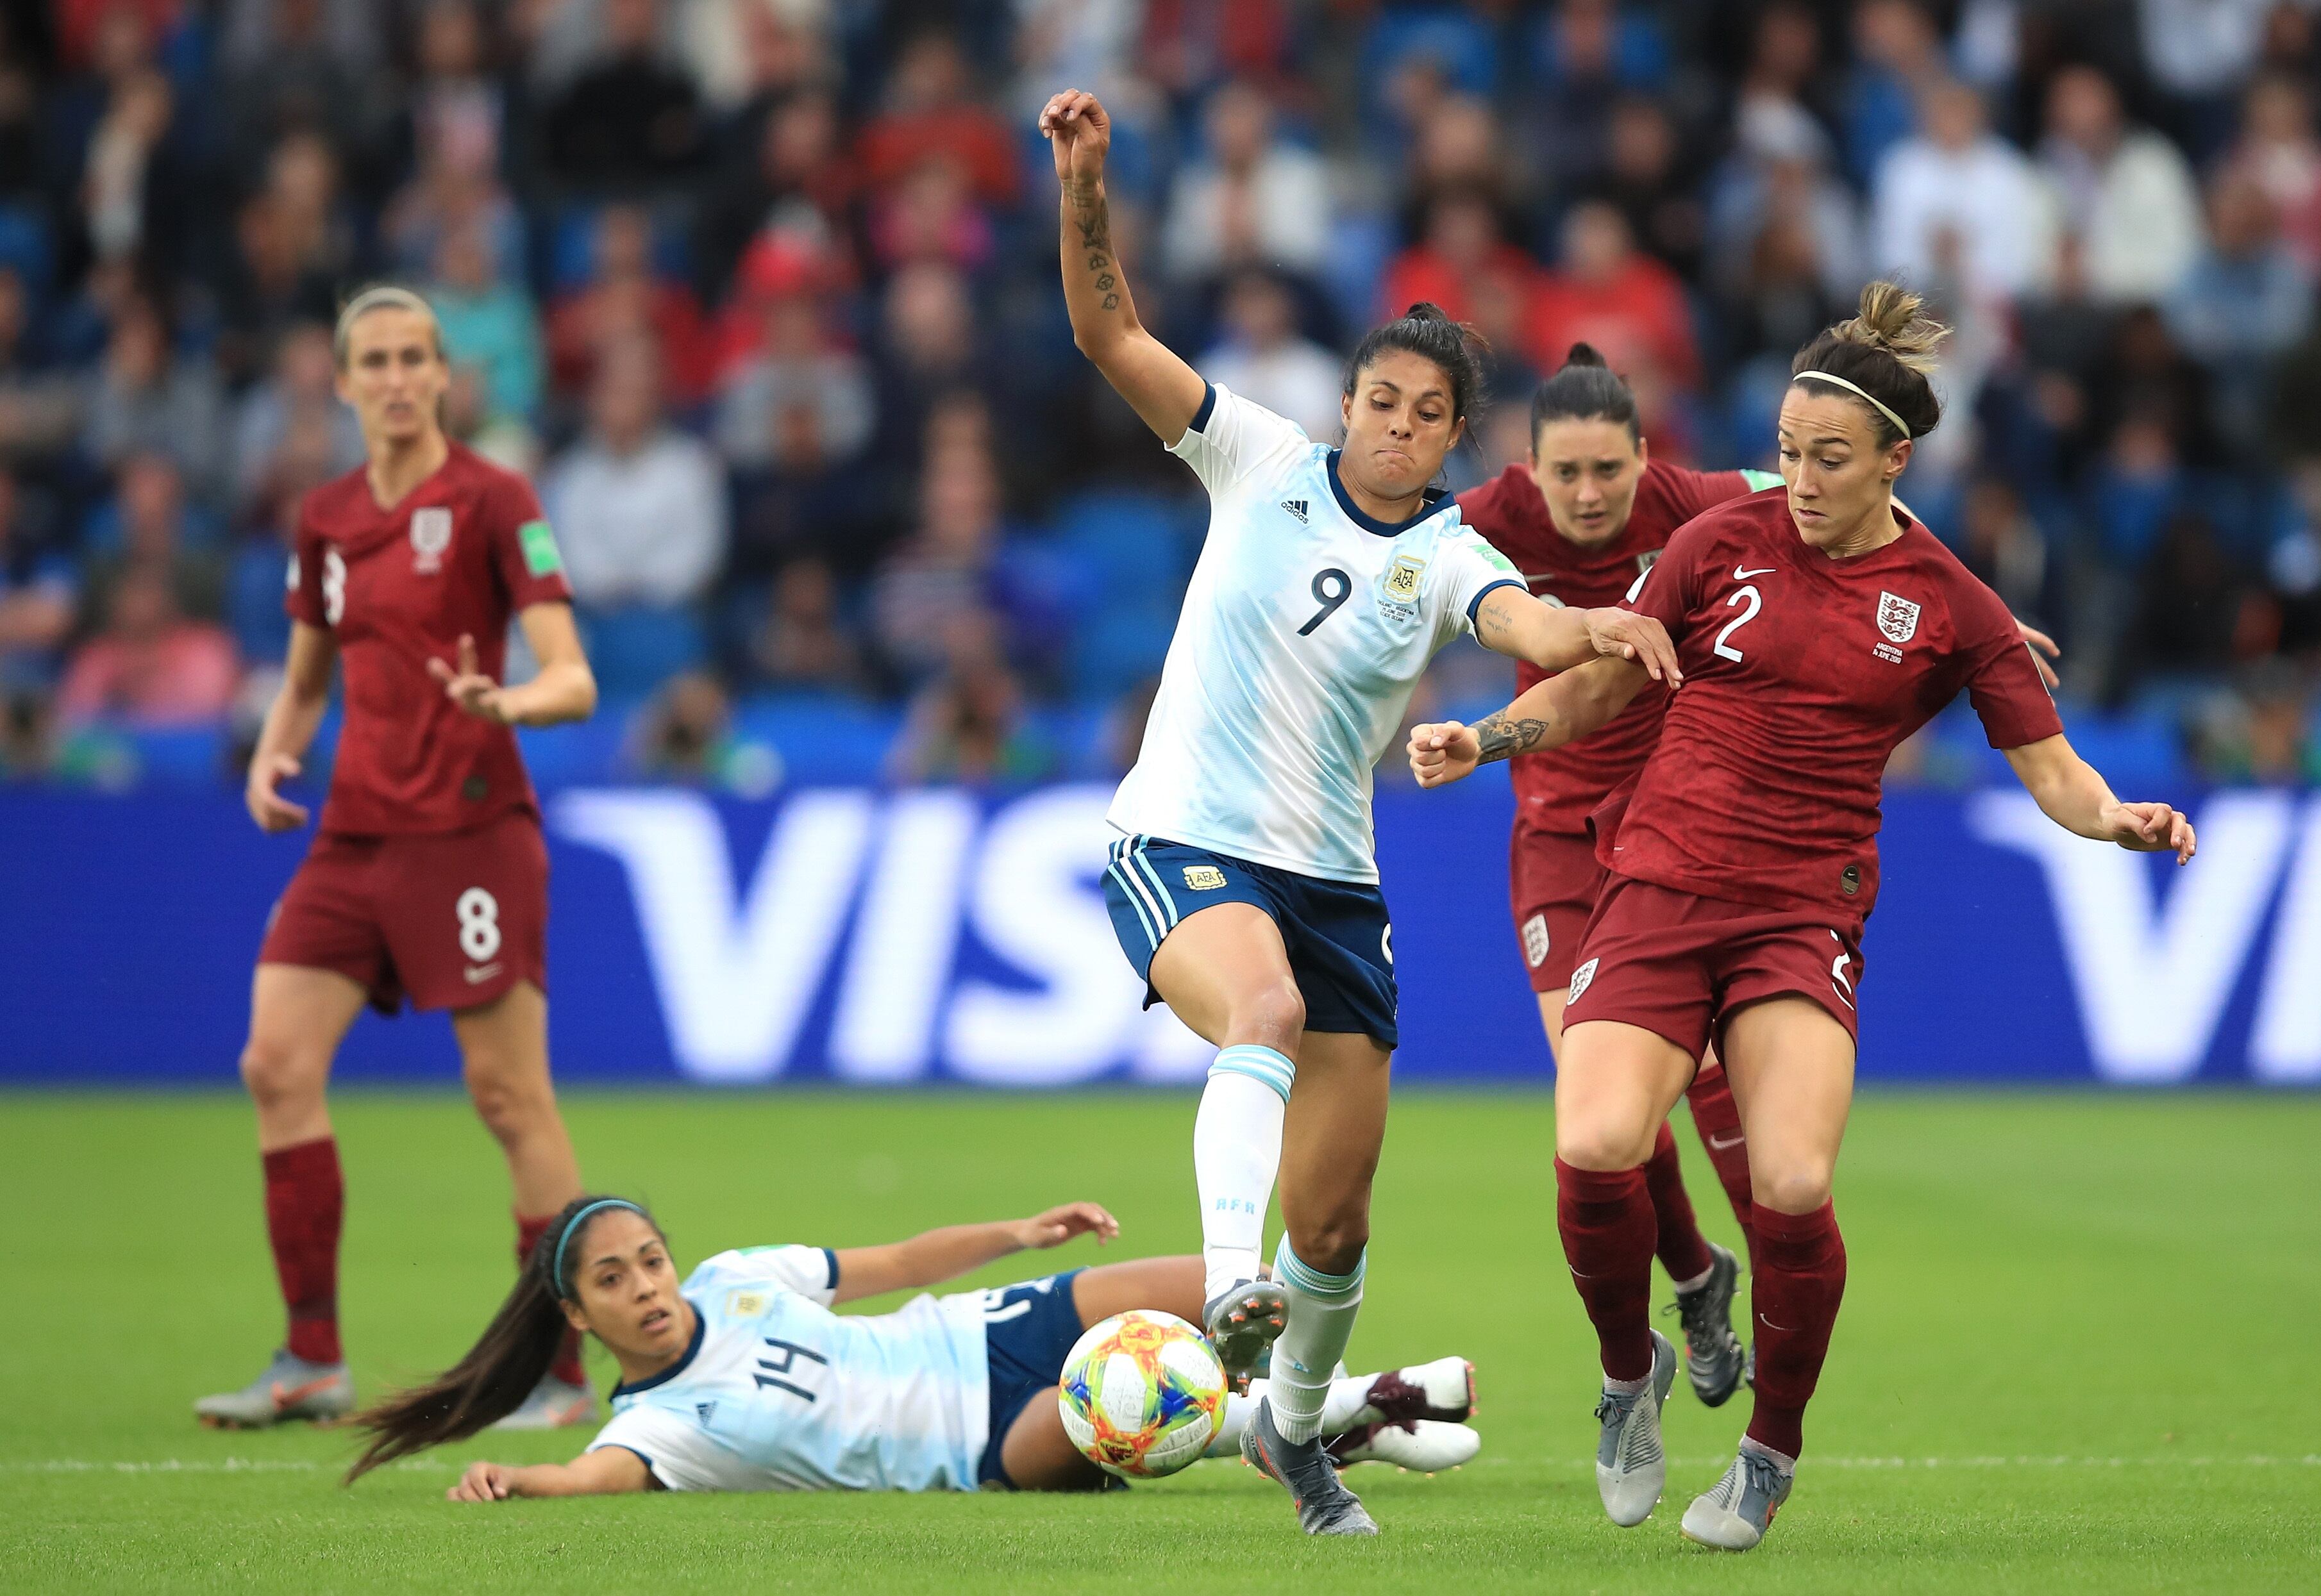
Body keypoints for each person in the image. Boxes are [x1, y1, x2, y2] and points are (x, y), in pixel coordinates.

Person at [1408, 284, 2193, 1551]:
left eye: (1827, 459)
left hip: (1796, 916)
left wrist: (2116, 821)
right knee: (1598, 1138)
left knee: (1788, 1177)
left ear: (1896, 461)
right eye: (1783, 451)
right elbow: (1602, 683)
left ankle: (1768, 1448)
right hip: (1656, 889)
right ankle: (1627, 1381)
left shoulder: (1948, 604)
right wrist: (1487, 736)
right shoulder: (1718, 542)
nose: (1798, 477)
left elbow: (2052, 775)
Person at [1038, 87, 1680, 1537]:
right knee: (1253, 1016)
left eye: (1425, 414)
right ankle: (1220, 1293)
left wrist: (1612, 628)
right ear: (1347, 404)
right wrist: (1085, 181)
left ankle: (1289, 1433)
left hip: (1334, 883)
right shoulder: (1252, 457)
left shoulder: (1448, 551)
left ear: (1454, 438)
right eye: (1378, 401)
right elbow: (1106, 334)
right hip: (1183, 842)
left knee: (1334, 1224)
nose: (1394, 427)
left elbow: (1524, 622)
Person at [195, 287, 601, 1433]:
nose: (394, 377)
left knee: (509, 1095)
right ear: (341, 380)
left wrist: (507, 698)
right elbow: (309, 675)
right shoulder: (324, 517)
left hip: (473, 833)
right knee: (274, 1063)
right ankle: (309, 1359)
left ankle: (558, 1371)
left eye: (414, 357)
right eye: (372, 359)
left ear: (442, 374)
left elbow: (575, 677)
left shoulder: (493, 499)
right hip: (353, 836)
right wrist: (275, 753)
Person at [1455, 345, 1782, 1407]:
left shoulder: (1691, 501)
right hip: (1555, 836)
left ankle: (1768, 1281)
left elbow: (1850, 504)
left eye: (1611, 470)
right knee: (1599, 1108)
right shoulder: (1487, 518)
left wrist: (1979, 620)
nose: (1591, 495)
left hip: (1673, 831)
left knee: (1702, 1071)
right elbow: (1372, 557)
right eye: (1568, 475)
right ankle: (1695, 1274)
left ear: (1647, 458)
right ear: (1530, 471)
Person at [349, 1195, 1482, 1496]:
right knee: (1126, 1409)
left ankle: (1350, 1417)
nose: (646, 1285)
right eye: (614, 1279)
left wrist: (1018, 1234)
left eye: (647, 1257)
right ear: (579, 1318)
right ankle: (1352, 1415)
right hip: (981, 1440)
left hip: (986, 1329)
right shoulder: (659, 1427)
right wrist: (518, 1478)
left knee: (1239, 1289)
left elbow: (891, 1264)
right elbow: (591, 1476)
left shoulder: (735, 1278)